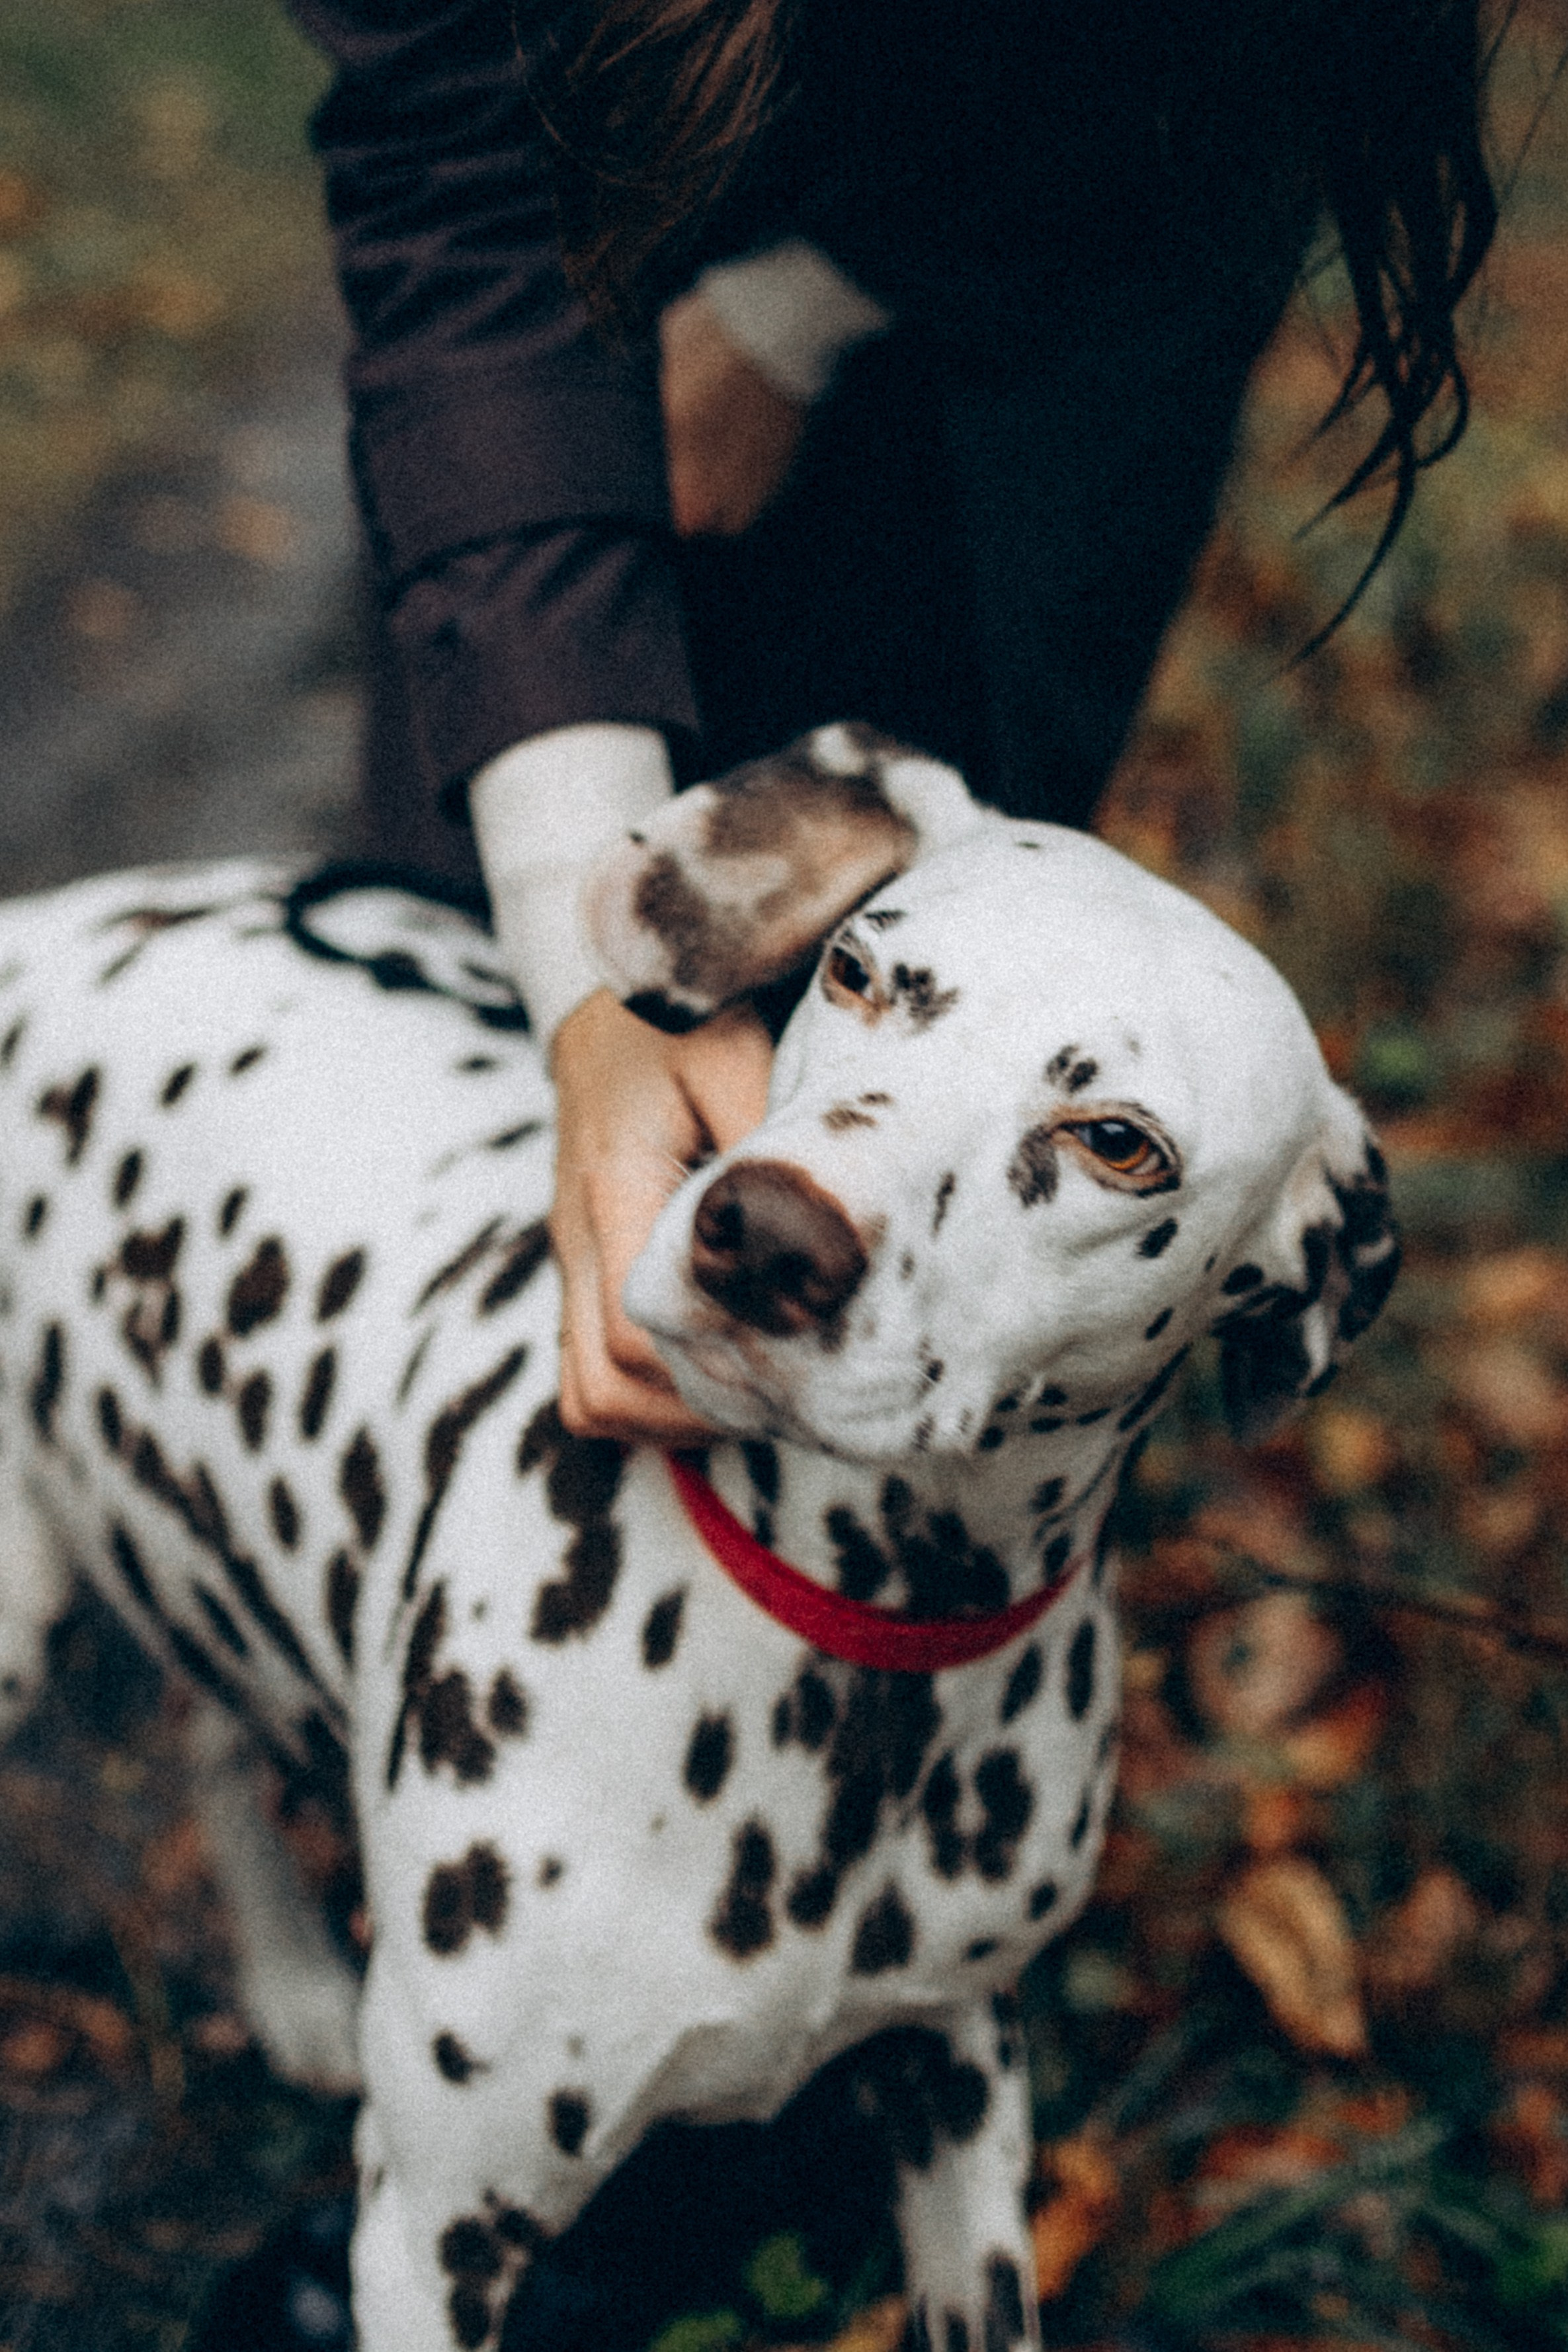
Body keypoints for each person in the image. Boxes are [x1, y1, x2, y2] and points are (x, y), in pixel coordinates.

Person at [287, 0, 1497, 1447]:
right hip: (597, 275)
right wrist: (577, 957)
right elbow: (456, 146)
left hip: (1054, 318)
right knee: (456, 960)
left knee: (981, 1001)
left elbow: (1211, 92)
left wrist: (812, 298)